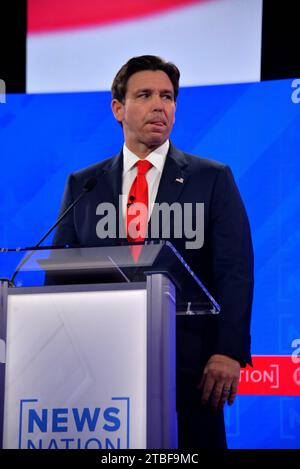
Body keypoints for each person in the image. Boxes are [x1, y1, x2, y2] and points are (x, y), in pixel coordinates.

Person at [53, 55, 254, 449]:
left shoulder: (211, 179)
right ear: (118, 109)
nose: (160, 105)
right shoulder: (84, 185)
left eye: (167, 96)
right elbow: (61, 275)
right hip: (100, 370)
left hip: (190, 370)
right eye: (144, 95)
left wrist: (228, 351)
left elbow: (235, 270)